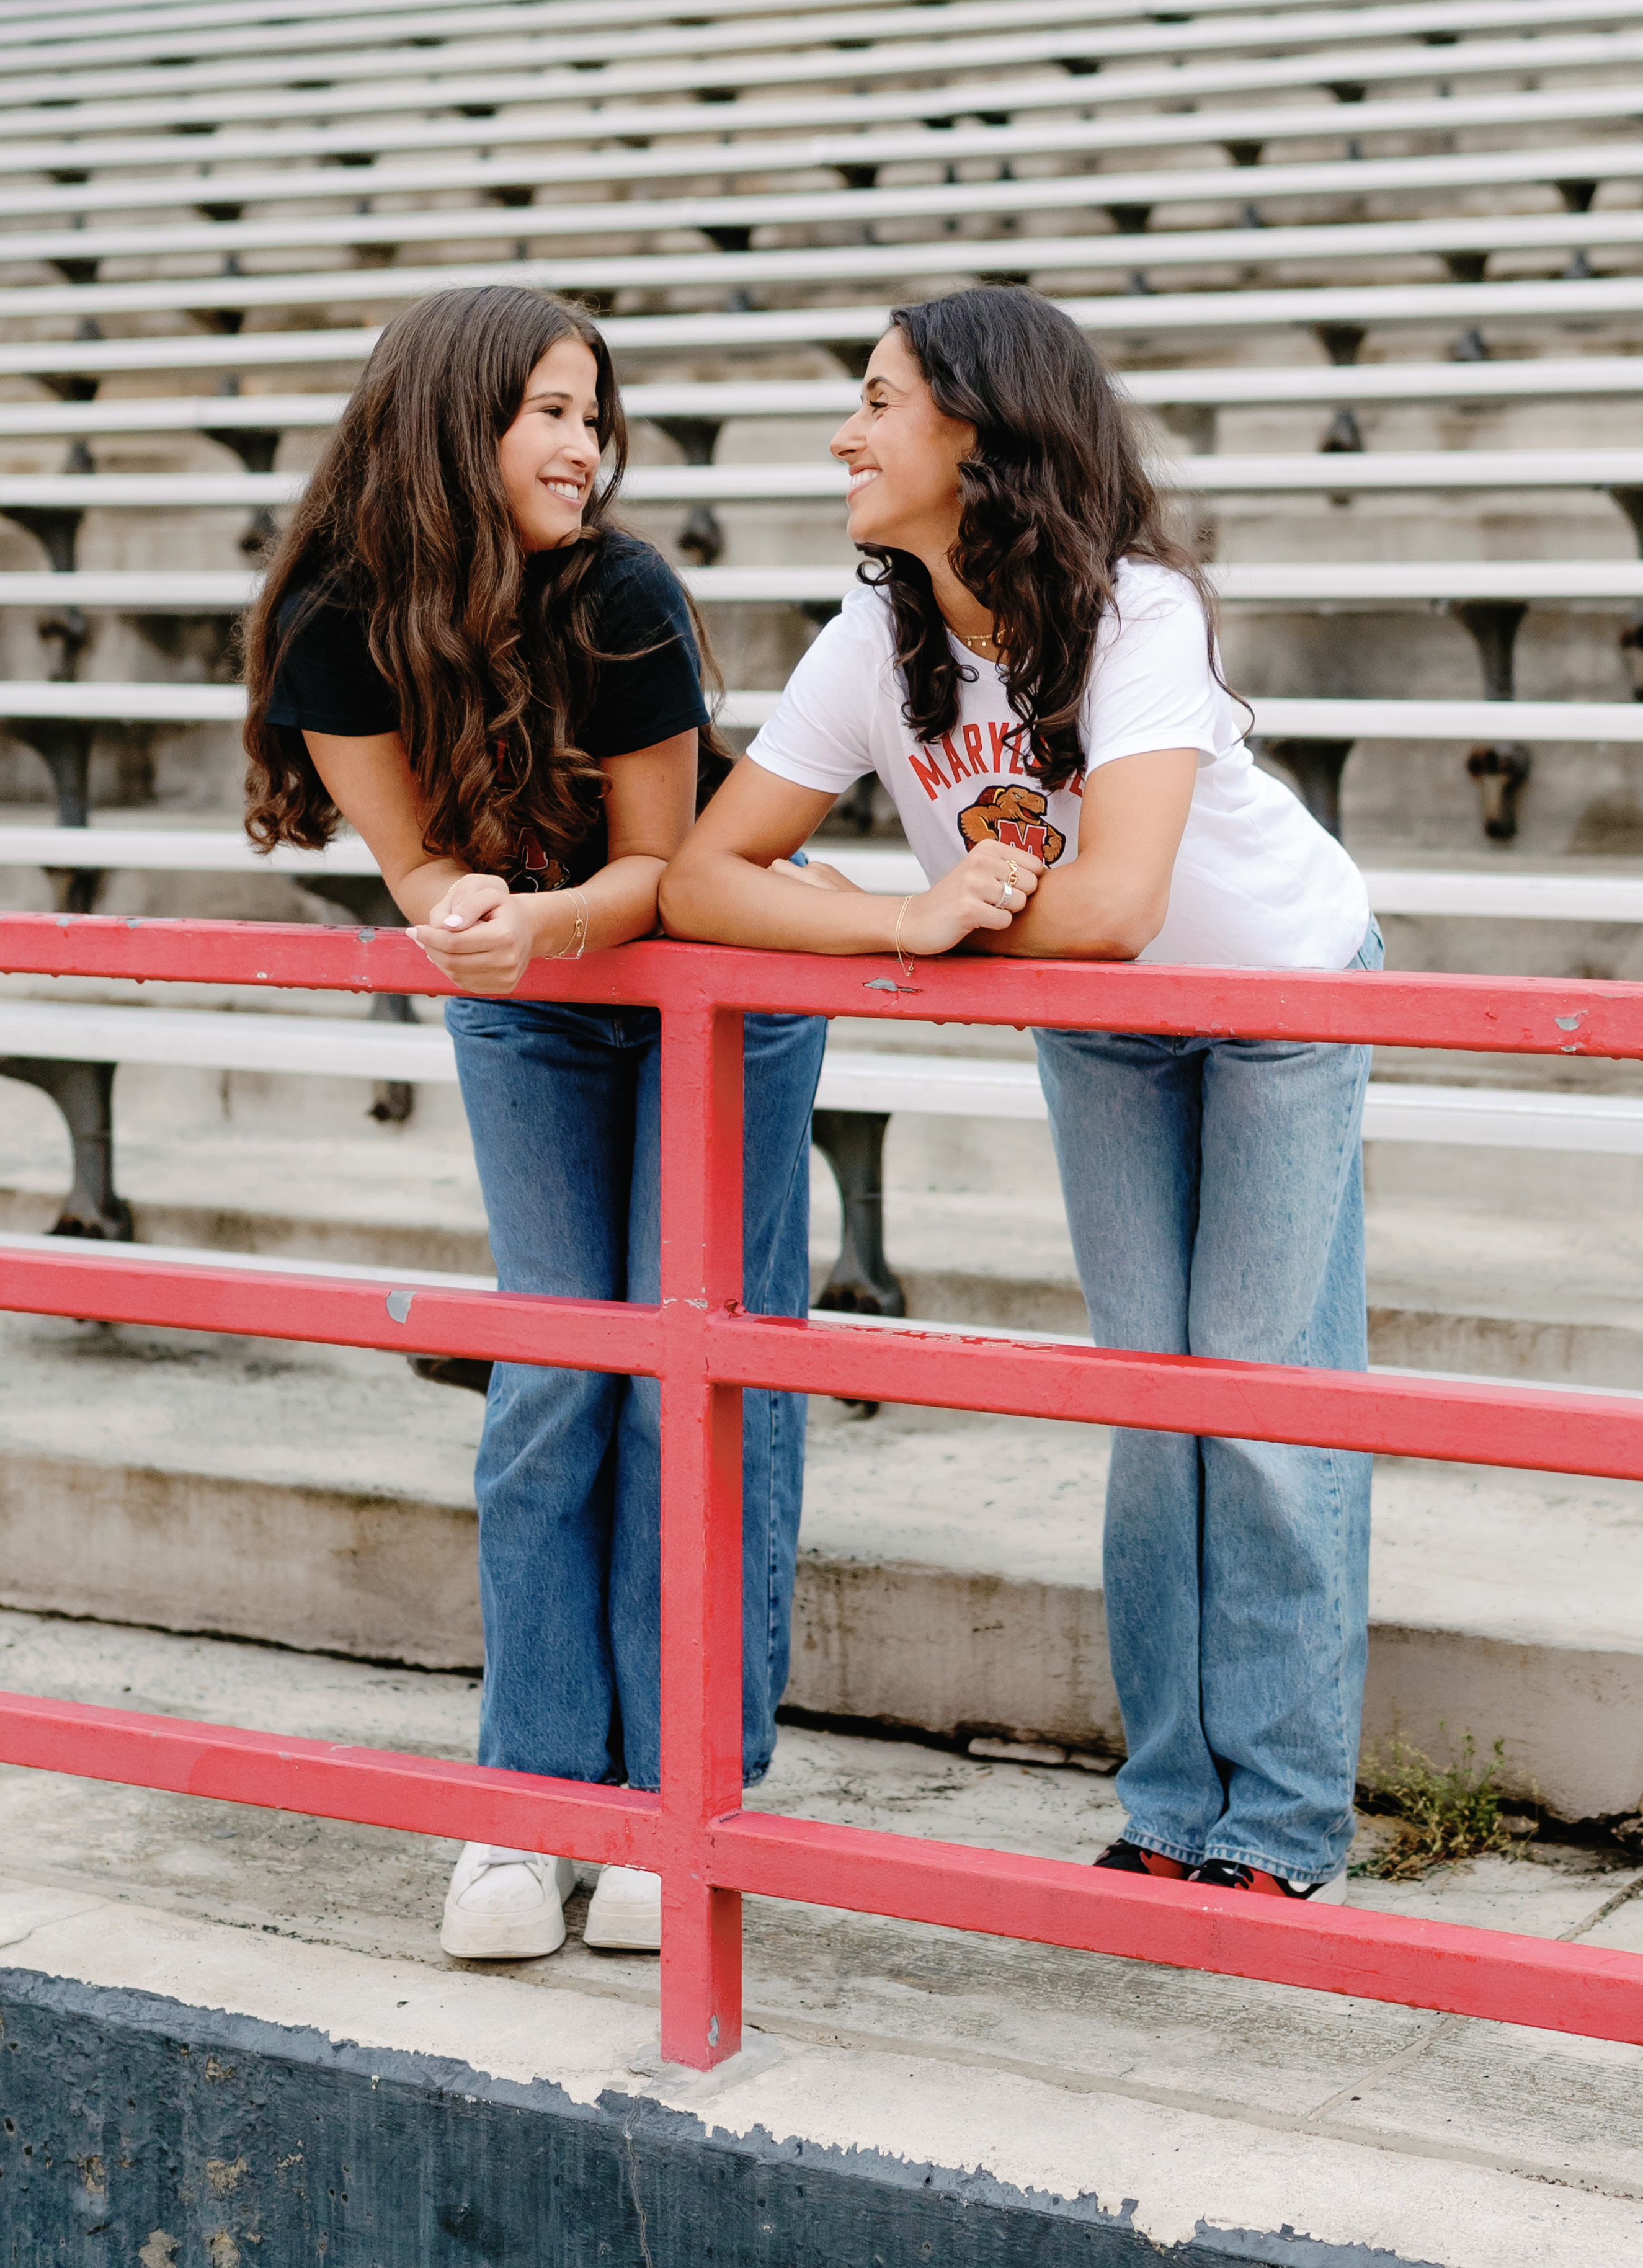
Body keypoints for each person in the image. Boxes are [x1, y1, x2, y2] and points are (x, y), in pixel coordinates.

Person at [661, 288, 1381, 1903]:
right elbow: (711, 879)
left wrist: (935, 925)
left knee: (1257, 1395)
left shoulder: (1138, 613)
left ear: (980, 434)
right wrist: (904, 919)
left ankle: (1277, 1826)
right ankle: (1170, 1801)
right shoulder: (876, 641)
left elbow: (1121, 899)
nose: (845, 435)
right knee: (1152, 1399)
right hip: (1100, 1023)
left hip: (1279, 987)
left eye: (876, 400)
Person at [244, 284, 826, 1965]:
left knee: (686, 1371)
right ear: (452, 425)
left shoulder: (629, 594)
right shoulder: (334, 625)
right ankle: (528, 1806)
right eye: (551, 414)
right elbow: (417, 864)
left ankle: (676, 1804)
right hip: (527, 993)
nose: (586, 447)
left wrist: (537, 923)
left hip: (710, 982)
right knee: (555, 1376)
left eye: (593, 415)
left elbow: (674, 874)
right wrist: (462, 916)